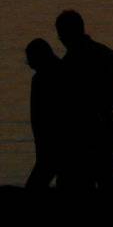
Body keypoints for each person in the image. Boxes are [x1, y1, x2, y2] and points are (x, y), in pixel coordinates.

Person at [56, 10, 113, 190]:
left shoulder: (68, 63)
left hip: (79, 131)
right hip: (104, 127)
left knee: (79, 184)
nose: (60, 39)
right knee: (108, 180)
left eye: (61, 34)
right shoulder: (106, 54)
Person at [24, 39, 72, 189]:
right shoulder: (64, 70)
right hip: (63, 142)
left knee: (36, 185)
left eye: (30, 58)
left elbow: (40, 116)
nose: (29, 63)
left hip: (52, 143)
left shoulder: (41, 79)